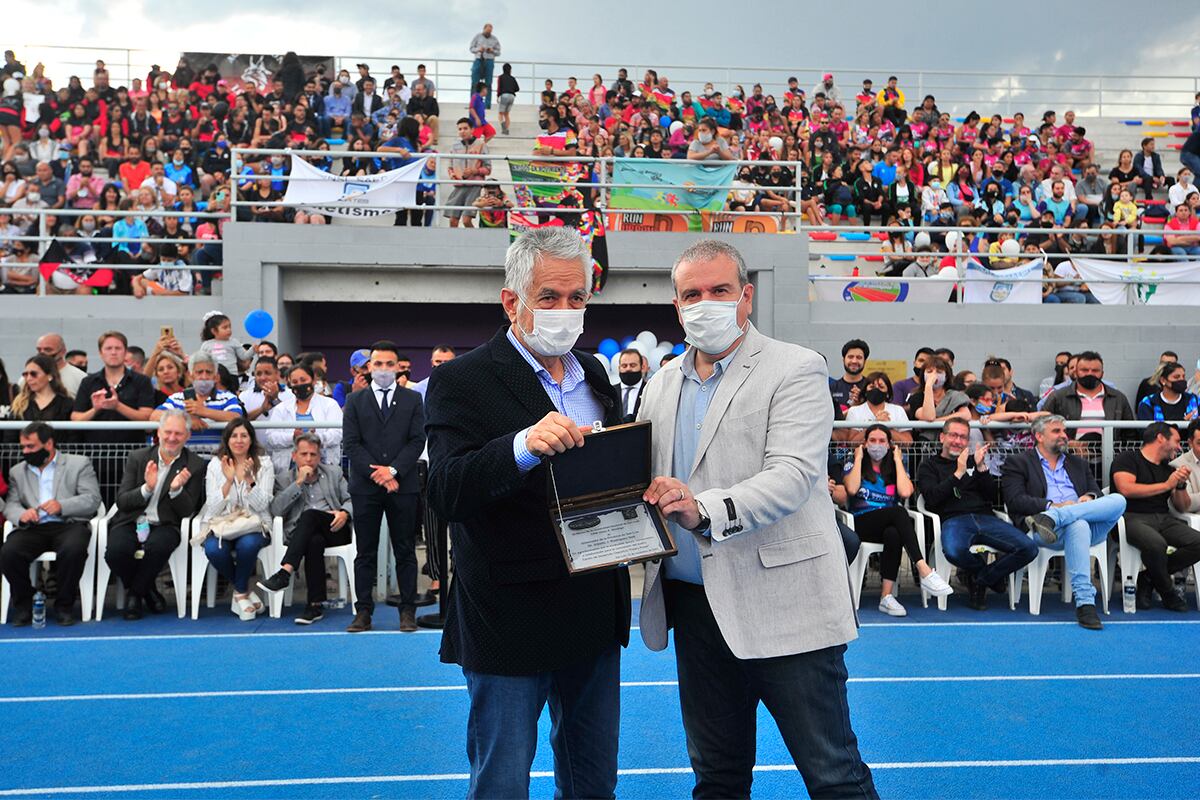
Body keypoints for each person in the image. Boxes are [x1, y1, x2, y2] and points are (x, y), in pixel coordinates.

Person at [636, 239, 875, 798]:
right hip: (695, 610)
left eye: (719, 290)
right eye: (691, 294)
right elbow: (642, 478)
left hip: (785, 600)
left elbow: (792, 476)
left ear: (746, 297)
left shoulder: (796, 368)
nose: (705, 303)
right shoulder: (661, 382)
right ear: (676, 306)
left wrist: (704, 509)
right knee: (717, 778)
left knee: (834, 775)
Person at [424, 228, 629, 799]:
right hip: (506, 614)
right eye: (548, 297)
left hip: (591, 605)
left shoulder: (595, 373)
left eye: (577, 298)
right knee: (502, 784)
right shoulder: (461, 379)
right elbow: (444, 488)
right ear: (511, 301)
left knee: (593, 783)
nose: (565, 311)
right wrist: (521, 446)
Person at [1001, 415, 1127, 629]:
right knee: (1077, 525)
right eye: (1056, 431)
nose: (1063, 436)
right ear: (1038, 436)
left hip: (1077, 524)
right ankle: (1085, 603)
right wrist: (1052, 506)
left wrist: (1089, 498)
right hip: (1044, 531)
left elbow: (1095, 492)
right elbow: (1015, 501)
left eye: (1064, 431)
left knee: (1119, 500)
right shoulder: (1019, 462)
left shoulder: (1077, 463)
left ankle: (1055, 518)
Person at [342, 340, 426, 633]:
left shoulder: (412, 399)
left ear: (398, 367)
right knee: (364, 551)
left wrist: (393, 471)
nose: (384, 369)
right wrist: (377, 474)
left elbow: (417, 440)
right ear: (369, 367)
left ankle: (408, 612)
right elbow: (351, 444)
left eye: (390, 364)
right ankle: (363, 612)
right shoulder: (355, 401)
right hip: (365, 488)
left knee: (405, 550)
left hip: (402, 485)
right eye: (378, 364)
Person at [917, 417, 1039, 610]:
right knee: (954, 551)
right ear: (942, 437)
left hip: (985, 518)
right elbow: (932, 499)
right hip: (954, 520)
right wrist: (958, 473)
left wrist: (982, 468)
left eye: (963, 437)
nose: (958, 441)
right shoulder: (929, 466)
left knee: (1029, 548)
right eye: (953, 435)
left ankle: (981, 579)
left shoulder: (975, 461)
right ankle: (987, 578)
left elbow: (993, 497)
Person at [840, 424, 952, 615]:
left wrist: (898, 461)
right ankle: (923, 569)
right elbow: (850, 489)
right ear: (865, 444)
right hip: (860, 522)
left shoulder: (894, 465)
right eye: (872, 441)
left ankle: (886, 597)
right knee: (899, 513)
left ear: (890, 444)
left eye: (882, 441)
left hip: (888, 523)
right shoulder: (853, 463)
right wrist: (858, 458)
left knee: (893, 533)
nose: (877, 445)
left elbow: (906, 492)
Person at [105, 410, 206, 620]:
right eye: (167, 432)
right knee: (115, 552)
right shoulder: (138, 457)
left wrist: (176, 490)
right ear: (158, 432)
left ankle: (134, 597)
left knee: (158, 547)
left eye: (178, 433)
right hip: (131, 520)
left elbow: (188, 511)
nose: (172, 438)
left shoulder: (195, 465)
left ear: (187, 436)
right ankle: (148, 592)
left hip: (166, 524)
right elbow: (122, 501)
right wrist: (146, 489)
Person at [1, 422, 101, 626]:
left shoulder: (78, 464)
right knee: (9, 552)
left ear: (49, 444)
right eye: (23, 446)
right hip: (33, 528)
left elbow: (92, 499)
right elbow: (10, 504)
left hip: (68, 524)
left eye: (31, 447)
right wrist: (22, 514)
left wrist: (61, 506)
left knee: (74, 550)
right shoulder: (17, 471)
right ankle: (24, 604)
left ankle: (64, 606)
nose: (25, 451)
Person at [259, 433, 353, 625]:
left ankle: (284, 572)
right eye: (304, 454)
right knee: (313, 540)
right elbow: (276, 510)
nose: (309, 459)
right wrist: (298, 483)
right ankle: (314, 605)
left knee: (310, 515)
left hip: (335, 528)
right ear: (294, 456)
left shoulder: (334, 473)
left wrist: (344, 513)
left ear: (320, 457)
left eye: (313, 454)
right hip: (301, 535)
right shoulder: (284, 479)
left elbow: (353, 499)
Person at [1111, 422, 1200, 612]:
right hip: (1130, 517)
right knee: (1156, 545)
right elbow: (1125, 489)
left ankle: (1149, 577)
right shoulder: (1127, 458)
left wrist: (1180, 485)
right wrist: (1167, 485)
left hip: (1163, 518)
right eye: (1176, 441)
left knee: (1197, 542)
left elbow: (1181, 505)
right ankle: (1168, 593)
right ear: (1161, 438)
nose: (1179, 446)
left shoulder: (1168, 469)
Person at [196, 418, 275, 621]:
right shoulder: (215, 465)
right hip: (222, 524)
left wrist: (250, 481)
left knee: (247, 545)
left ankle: (239, 594)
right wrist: (229, 480)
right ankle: (244, 591)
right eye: (234, 436)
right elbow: (212, 508)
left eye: (244, 435)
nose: (239, 440)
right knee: (213, 549)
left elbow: (262, 505)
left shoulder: (264, 463)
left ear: (251, 439)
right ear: (227, 440)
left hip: (255, 524)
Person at [260, 362, 343, 472]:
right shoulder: (281, 408)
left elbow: (337, 434)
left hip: (324, 469)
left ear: (313, 381)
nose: (299, 384)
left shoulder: (330, 404)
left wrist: (316, 438)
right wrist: (292, 437)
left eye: (303, 380)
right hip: (288, 471)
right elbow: (271, 437)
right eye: (295, 382)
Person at [1041, 350, 1135, 445]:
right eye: (1084, 370)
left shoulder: (1118, 398)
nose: (1090, 374)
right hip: (1068, 456)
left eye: (1095, 371)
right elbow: (1042, 428)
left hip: (1109, 457)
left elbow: (1130, 434)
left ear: (1102, 373)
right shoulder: (1058, 397)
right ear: (1076, 372)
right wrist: (1067, 444)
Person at [151, 353, 243, 443]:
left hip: (217, 455)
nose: (204, 376)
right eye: (199, 372)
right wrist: (186, 419)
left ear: (215, 377)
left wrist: (202, 411)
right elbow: (155, 416)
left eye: (208, 372)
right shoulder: (177, 398)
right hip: (185, 455)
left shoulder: (228, 397)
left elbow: (236, 417)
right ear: (191, 376)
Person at [5, 355, 75, 442]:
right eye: (25, 374)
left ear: (49, 376)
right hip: (23, 454)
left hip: (58, 454)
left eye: (33, 374)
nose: (29, 378)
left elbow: (73, 437)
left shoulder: (67, 403)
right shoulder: (19, 404)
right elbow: (10, 437)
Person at [844, 371, 912, 443]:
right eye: (872, 387)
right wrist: (874, 424)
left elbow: (908, 442)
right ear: (865, 391)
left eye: (881, 387)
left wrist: (887, 427)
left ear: (887, 393)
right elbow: (852, 443)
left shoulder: (898, 410)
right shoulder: (854, 411)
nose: (876, 390)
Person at [446, 118, 490, 229]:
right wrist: (452, 174)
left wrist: (474, 171)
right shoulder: (454, 146)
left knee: (466, 220)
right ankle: (453, 243)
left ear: (472, 129)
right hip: (459, 185)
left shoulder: (481, 144)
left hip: (474, 186)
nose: (462, 131)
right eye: (460, 129)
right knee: (453, 221)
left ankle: (474, 241)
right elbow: (450, 166)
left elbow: (488, 168)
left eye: (465, 128)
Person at [33, 333, 86, 398]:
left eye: (48, 350)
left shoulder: (80, 378)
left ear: (63, 351)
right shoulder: (29, 377)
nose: (42, 353)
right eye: (39, 350)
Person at [829, 338, 868, 415]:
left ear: (865, 361)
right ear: (843, 360)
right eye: (850, 357)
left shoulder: (870, 387)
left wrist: (863, 402)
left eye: (859, 357)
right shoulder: (832, 388)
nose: (854, 361)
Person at [468, 23, 500, 110]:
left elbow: (499, 52)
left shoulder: (494, 39)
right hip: (478, 59)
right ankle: (473, 103)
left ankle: (487, 105)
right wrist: (479, 49)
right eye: (487, 31)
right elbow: (471, 48)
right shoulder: (477, 37)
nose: (488, 33)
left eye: (490, 31)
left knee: (488, 83)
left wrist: (492, 50)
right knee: (475, 82)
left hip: (489, 61)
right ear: (484, 29)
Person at [616, 348, 648, 422]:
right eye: (624, 366)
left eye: (633, 365)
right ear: (619, 368)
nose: (628, 369)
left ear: (642, 367)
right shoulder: (611, 392)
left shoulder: (649, 390)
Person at [496, 63, 519, 136]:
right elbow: (517, 88)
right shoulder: (513, 78)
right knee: (507, 114)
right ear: (510, 70)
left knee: (500, 113)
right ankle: (507, 129)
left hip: (504, 95)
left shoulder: (500, 77)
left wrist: (497, 96)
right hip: (512, 96)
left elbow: (499, 87)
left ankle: (503, 126)